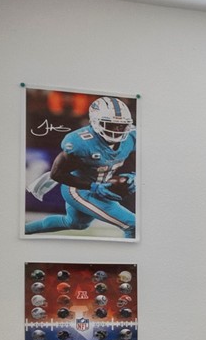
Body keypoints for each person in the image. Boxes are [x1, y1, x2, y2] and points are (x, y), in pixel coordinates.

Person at [26, 97, 136, 237]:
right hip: (79, 189)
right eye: (110, 124)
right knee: (133, 224)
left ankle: (24, 231)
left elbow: (138, 159)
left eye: (121, 125)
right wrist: (94, 186)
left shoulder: (133, 136)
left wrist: (133, 175)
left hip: (102, 186)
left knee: (75, 223)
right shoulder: (80, 142)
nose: (117, 129)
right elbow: (57, 174)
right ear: (95, 122)